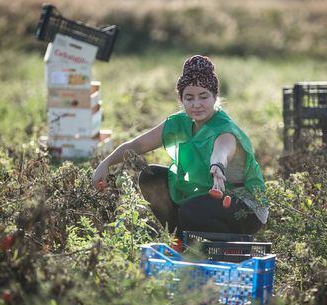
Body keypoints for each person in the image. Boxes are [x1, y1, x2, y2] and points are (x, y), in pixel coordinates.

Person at [92, 55, 268, 248]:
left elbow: (222, 149)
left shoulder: (224, 129)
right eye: (189, 98)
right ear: (181, 98)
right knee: (151, 177)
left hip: (244, 206)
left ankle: (216, 250)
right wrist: (105, 163)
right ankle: (179, 242)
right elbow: (137, 145)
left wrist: (218, 167)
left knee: (190, 212)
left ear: (215, 97)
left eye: (203, 96)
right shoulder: (179, 123)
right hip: (207, 195)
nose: (196, 104)